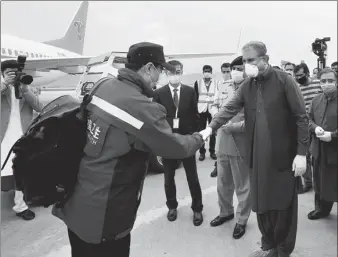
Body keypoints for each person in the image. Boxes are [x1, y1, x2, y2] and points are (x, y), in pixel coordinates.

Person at [52, 42, 205, 257]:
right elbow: (175, 148)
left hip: (77, 201)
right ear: (149, 68)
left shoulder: (102, 86)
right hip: (106, 215)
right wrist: (199, 137)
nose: (160, 76)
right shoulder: (139, 106)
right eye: (160, 70)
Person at [200, 41, 309, 257]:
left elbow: (301, 118)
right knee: (261, 202)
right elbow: (230, 107)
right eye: (244, 61)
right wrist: (210, 128)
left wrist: (301, 153)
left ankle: (283, 250)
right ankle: (268, 243)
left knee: (282, 205)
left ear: (265, 60)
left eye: (251, 60)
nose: (246, 65)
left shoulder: (284, 81)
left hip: (282, 156)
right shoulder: (248, 86)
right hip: (256, 156)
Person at [153, 60, 203, 226]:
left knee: (192, 177)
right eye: (171, 72)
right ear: (166, 73)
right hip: (169, 141)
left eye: (178, 71)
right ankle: (172, 206)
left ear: (182, 72)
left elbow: (196, 115)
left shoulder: (190, 92)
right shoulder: (159, 93)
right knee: (168, 178)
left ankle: (197, 208)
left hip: (186, 140)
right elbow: (157, 119)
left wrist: (196, 137)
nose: (175, 75)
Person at [209, 56, 251, 240]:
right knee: (223, 182)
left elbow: (256, 119)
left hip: (241, 141)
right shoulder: (223, 86)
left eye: (239, 68)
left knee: (242, 185)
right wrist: (213, 113)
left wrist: (234, 126)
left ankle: (241, 220)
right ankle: (225, 212)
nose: (235, 72)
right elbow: (215, 104)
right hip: (222, 140)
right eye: (233, 68)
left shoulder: (253, 88)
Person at [1, 59, 44, 221]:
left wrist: (25, 89)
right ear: (3, 74)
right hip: (2, 137)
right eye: (9, 73)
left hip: (22, 137)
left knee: (21, 171)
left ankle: (20, 206)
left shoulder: (27, 88)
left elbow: (40, 108)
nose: (14, 76)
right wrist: (5, 84)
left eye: (16, 73)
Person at [307, 68, 337, 220]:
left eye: (330, 81)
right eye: (323, 81)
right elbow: (308, 119)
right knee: (319, 181)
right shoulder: (315, 100)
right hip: (318, 149)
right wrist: (315, 128)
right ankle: (321, 209)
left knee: (334, 181)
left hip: (335, 149)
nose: (327, 84)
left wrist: (332, 135)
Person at [294, 63, 322, 194]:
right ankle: (308, 183)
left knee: (318, 156)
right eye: (296, 76)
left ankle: (320, 182)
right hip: (304, 125)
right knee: (304, 155)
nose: (298, 78)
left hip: (319, 124)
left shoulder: (318, 84)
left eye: (300, 75)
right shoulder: (297, 87)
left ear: (307, 73)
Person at [210, 62, 232, 177]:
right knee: (219, 148)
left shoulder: (237, 84)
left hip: (234, 121)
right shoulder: (219, 85)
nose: (226, 74)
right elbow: (214, 104)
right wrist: (216, 116)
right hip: (222, 121)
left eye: (228, 71)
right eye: (224, 72)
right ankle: (218, 166)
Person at [194, 65, 218, 161]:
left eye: (208, 71)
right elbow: (195, 97)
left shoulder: (216, 83)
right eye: (205, 71)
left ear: (211, 72)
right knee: (202, 132)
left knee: (212, 131)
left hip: (212, 109)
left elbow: (217, 96)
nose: (206, 72)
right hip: (201, 110)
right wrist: (195, 111)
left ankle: (212, 151)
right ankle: (202, 153)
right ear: (203, 72)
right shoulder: (198, 82)